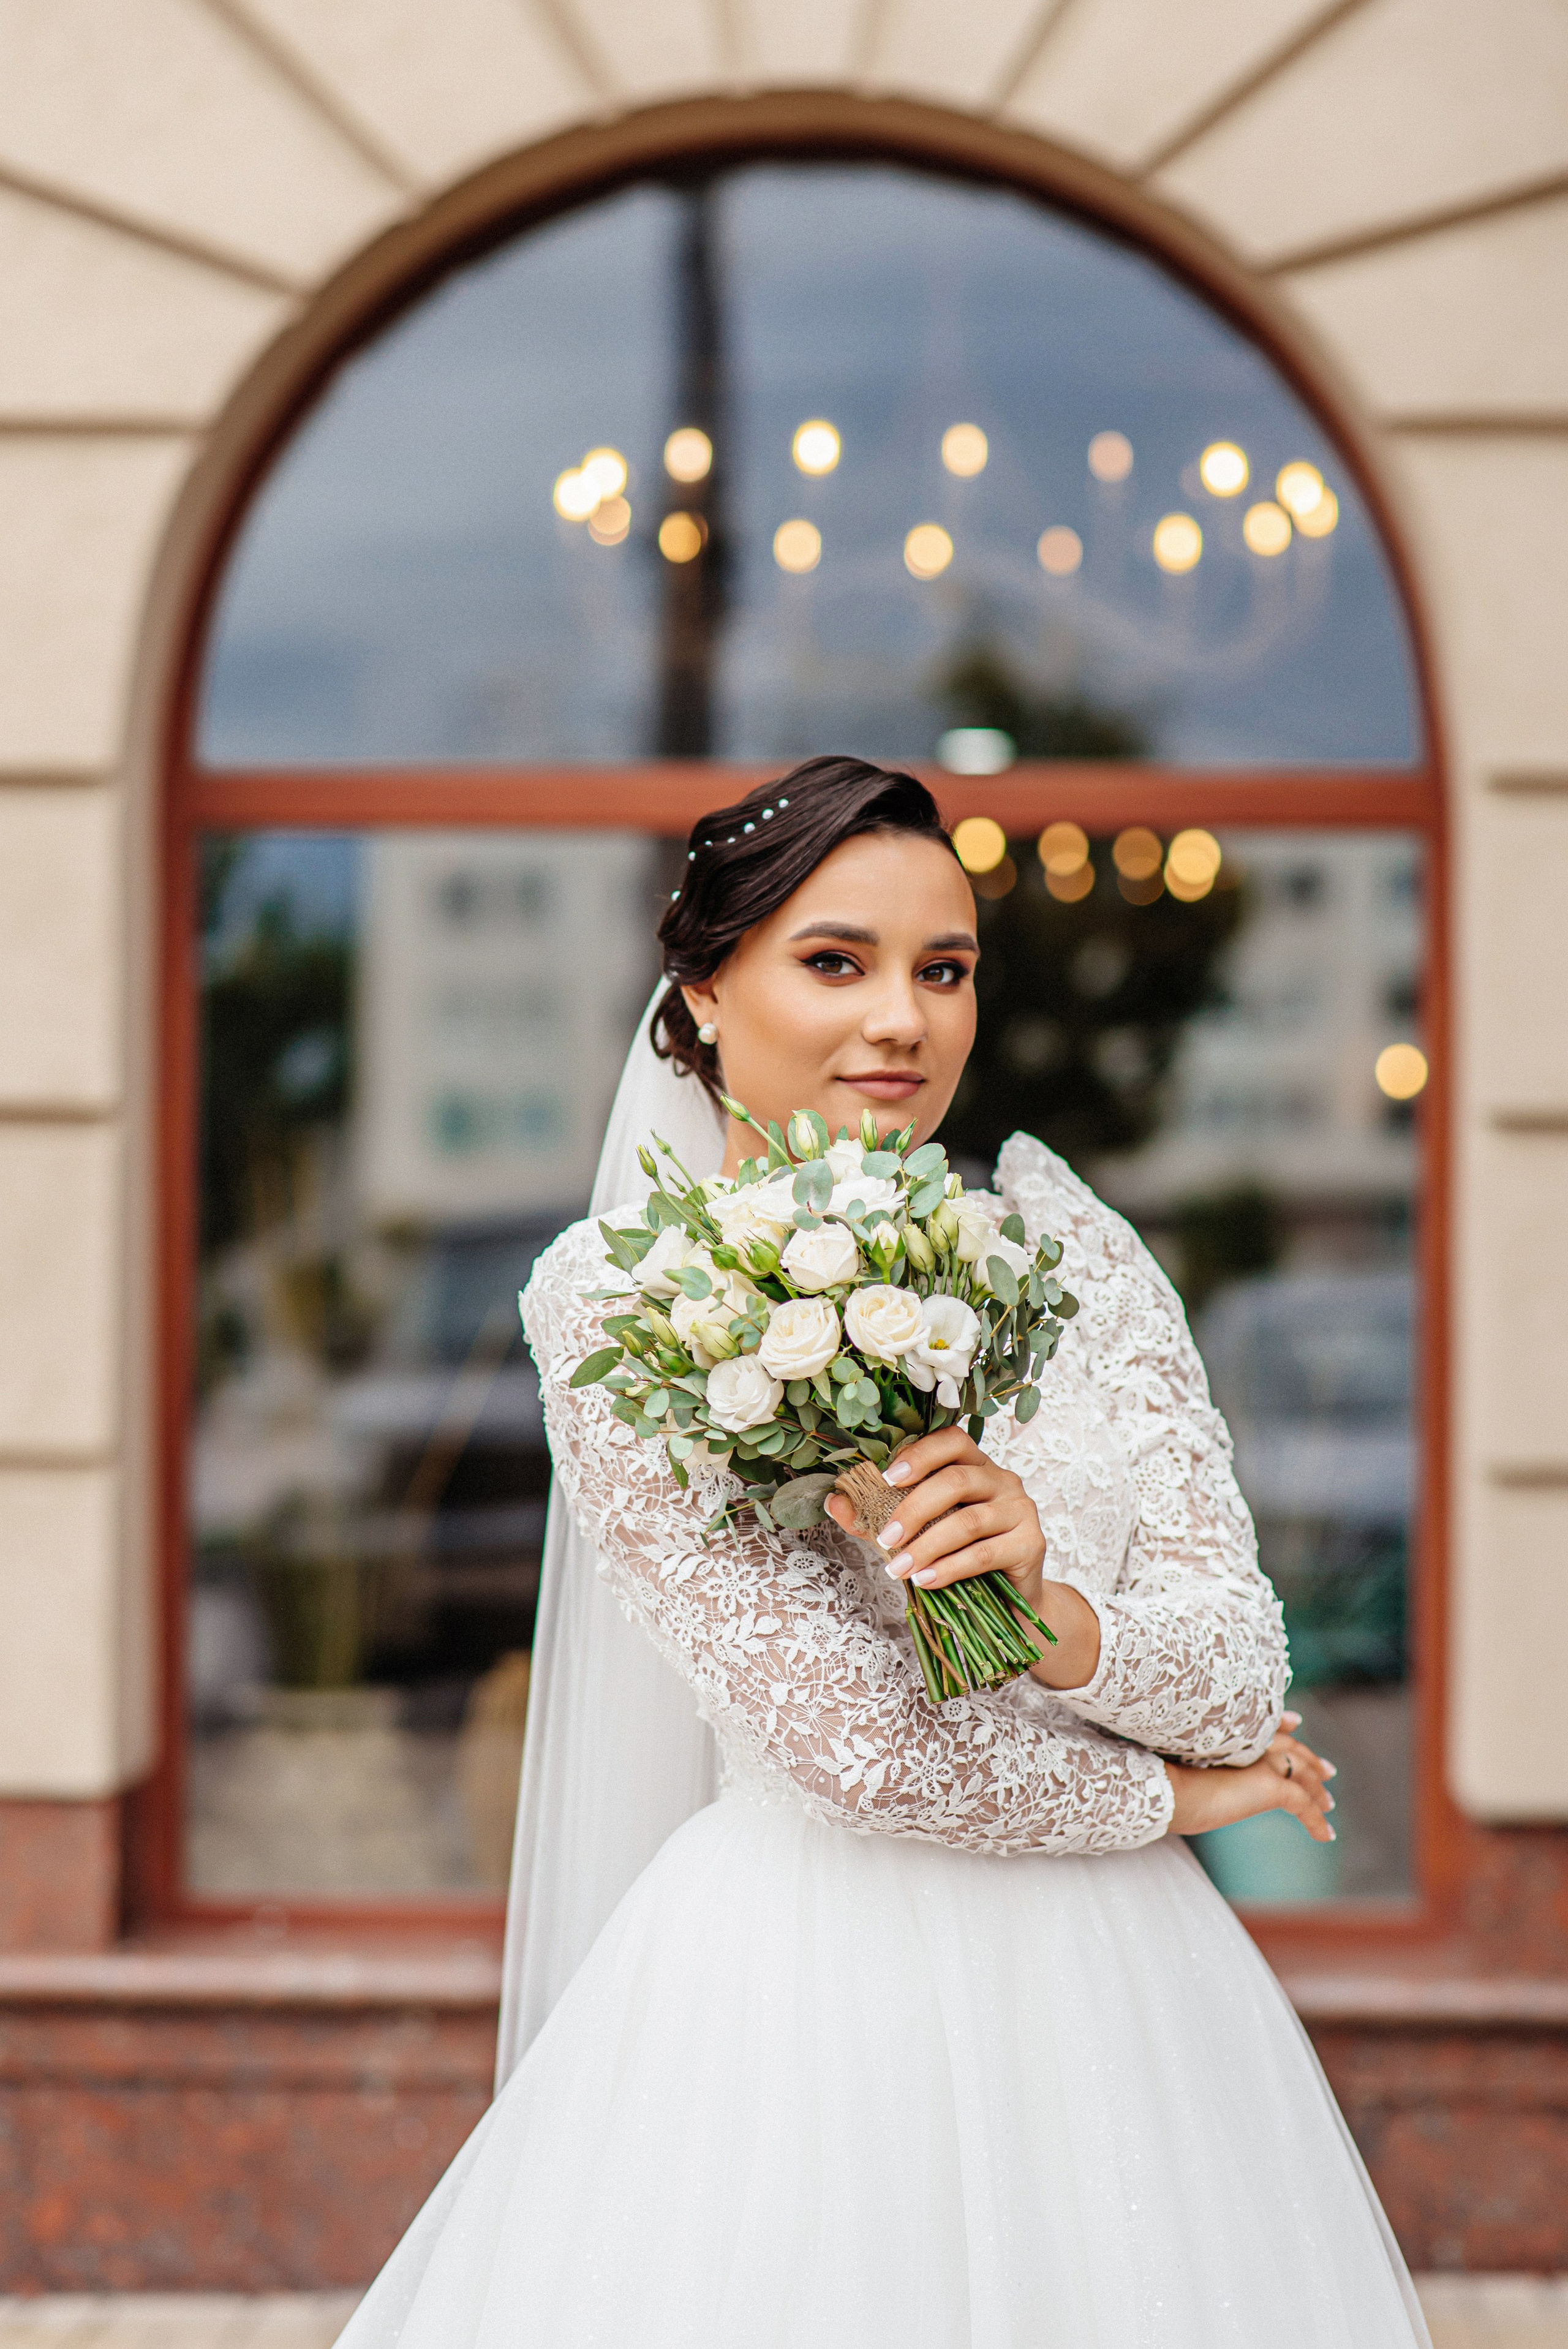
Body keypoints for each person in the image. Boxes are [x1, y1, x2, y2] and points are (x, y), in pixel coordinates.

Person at [336, 757, 1431, 2347]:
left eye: (945, 969)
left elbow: (1242, 1657)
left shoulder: (1071, 1244)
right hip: (804, 2010)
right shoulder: (624, 1305)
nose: (903, 1020)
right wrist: (1171, 1797)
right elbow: (854, 1745)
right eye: (835, 960)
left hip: (1132, 2018)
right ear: (704, 993)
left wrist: (1060, 1618)